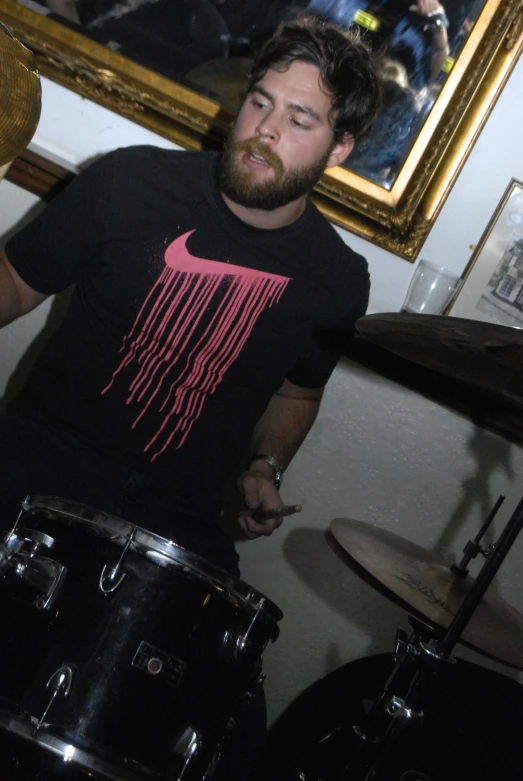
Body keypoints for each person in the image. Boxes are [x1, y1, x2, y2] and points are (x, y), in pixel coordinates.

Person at [0, 17, 380, 778]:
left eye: (298, 119)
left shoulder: (337, 280)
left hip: (174, 517)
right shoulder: (128, 180)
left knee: (222, 733)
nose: (263, 131)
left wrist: (264, 466)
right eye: (259, 103)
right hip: (38, 463)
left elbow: (295, 392)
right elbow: (12, 283)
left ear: (340, 148)